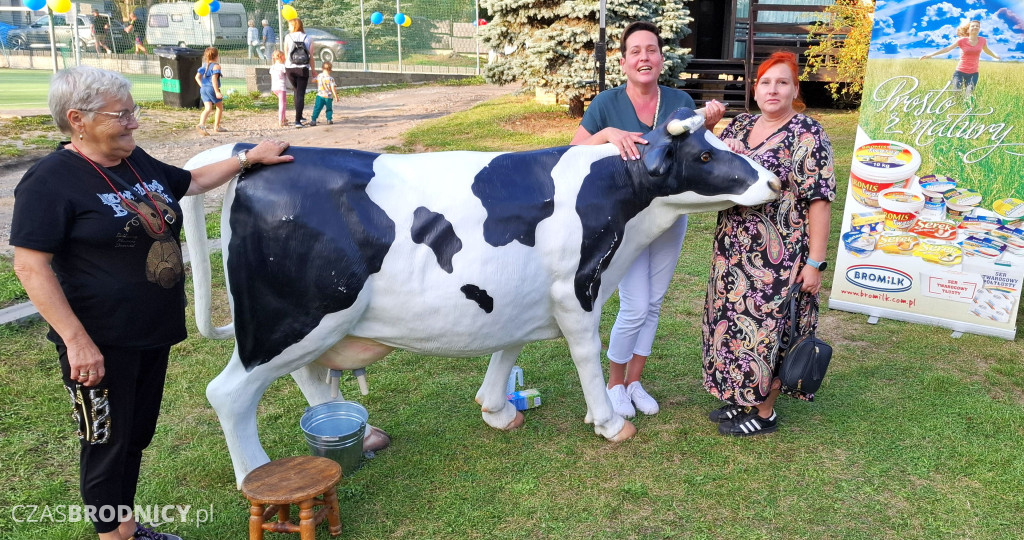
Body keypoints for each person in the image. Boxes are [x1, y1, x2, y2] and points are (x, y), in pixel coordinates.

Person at [10, 65, 292, 540]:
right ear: (77, 118)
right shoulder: (50, 181)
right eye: (121, 115)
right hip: (99, 344)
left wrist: (248, 159)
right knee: (105, 442)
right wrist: (77, 343)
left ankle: (125, 526)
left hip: (150, 332)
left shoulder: (134, 160)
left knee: (135, 435)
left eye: (132, 111)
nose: (133, 123)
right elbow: (29, 267)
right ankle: (114, 535)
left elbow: (192, 182)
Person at [570, 21, 725, 418]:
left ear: (661, 57)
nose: (644, 57)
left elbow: (694, 151)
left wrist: (708, 122)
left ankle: (634, 382)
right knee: (635, 306)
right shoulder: (607, 103)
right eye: (636, 51)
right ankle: (613, 384)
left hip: (670, 217)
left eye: (651, 49)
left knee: (654, 304)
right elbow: (572, 152)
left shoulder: (677, 99)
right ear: (624, 62)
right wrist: (606, 133)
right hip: (628, 221)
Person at [702, 51, 836, 437]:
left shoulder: (808, 134)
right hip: (732, 251)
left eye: (782, 82)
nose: (773, 89)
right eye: (766, 82)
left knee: (772, 332)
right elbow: (706, 163)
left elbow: (819, 201)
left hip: (782, 256)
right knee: (731, 326)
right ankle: (743, 397)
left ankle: (764, 412)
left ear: (795, 89)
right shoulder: (739, 127)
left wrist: (816, 262)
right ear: (755, 89)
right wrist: (710, 126)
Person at [920, 19, 1000, 99]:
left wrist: (995, 56)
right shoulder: (962, 41)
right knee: (956, 95)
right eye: (973, 26)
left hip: (973, 74)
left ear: (979, 29)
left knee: (969, 96)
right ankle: (957, 109)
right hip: (960, 73)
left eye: (977, 26)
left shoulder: (982, 40)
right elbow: (948, 49)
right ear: (968, 30)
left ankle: (968, 110)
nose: (975, 27)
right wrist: (931, 55)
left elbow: (986, 50)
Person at [284, 18, 314, 128]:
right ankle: (298, 120)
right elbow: (311, 57)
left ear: (294, 26)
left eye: (290, 26)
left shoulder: (288, 37)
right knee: (300, 93)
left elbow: (287, 53)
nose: (288, 28)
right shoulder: (308, 38)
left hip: (290, 68)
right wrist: (314, 71)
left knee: (296, 91)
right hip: (303, 69)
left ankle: (299, 116)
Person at [194, 46, 224, 135]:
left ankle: (201, 124)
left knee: (208, 108)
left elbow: (197, 77)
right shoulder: (216, 66)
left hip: (203, 89)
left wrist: (202, 86)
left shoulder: (205, 65)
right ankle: (217, 127)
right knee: (219, 107)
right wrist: (217, 91)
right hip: (212, 89)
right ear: (216, 56)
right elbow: (214, 80)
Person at [309, 61, 338, 126]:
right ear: (330, 70)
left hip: (320, 96)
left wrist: (314, 77)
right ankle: (329, 119)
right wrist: (336, 96)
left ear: (322, 68)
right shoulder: (331, 79)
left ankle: (313, 120)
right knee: (329, 109)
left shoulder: (319, 76)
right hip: (328, 97)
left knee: (317, 108)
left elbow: (313, 80)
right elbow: (333, 88)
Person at [270, 49, 288, 127]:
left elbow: (271, 78)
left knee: (283, 102)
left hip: (274, 87)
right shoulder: (283, 66)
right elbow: (287, 75)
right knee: (282, 104)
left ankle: (284, 118)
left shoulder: (272, 67)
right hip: (281, 87)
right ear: (281, 57)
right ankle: (281, 120)